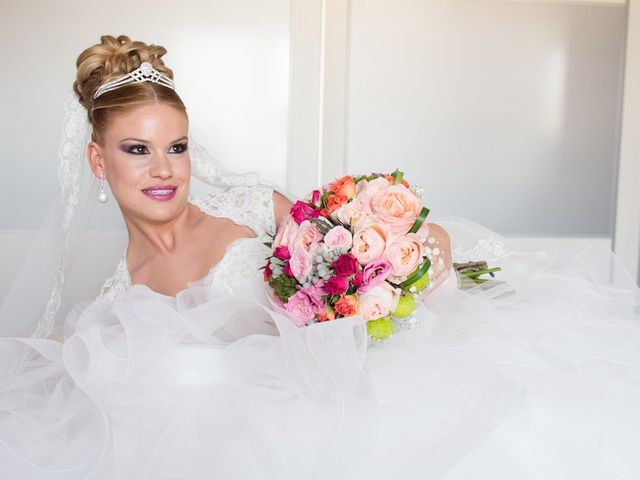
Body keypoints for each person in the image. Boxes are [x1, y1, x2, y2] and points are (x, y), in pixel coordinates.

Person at [0, 34, 639, 480]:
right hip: (281, 442)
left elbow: (353, 251)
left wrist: (422, 252)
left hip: (381, 379)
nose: (165, 170)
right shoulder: (118, 308)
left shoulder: (251, 207)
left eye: (178, 146)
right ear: (97, 159)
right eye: (137, 150)